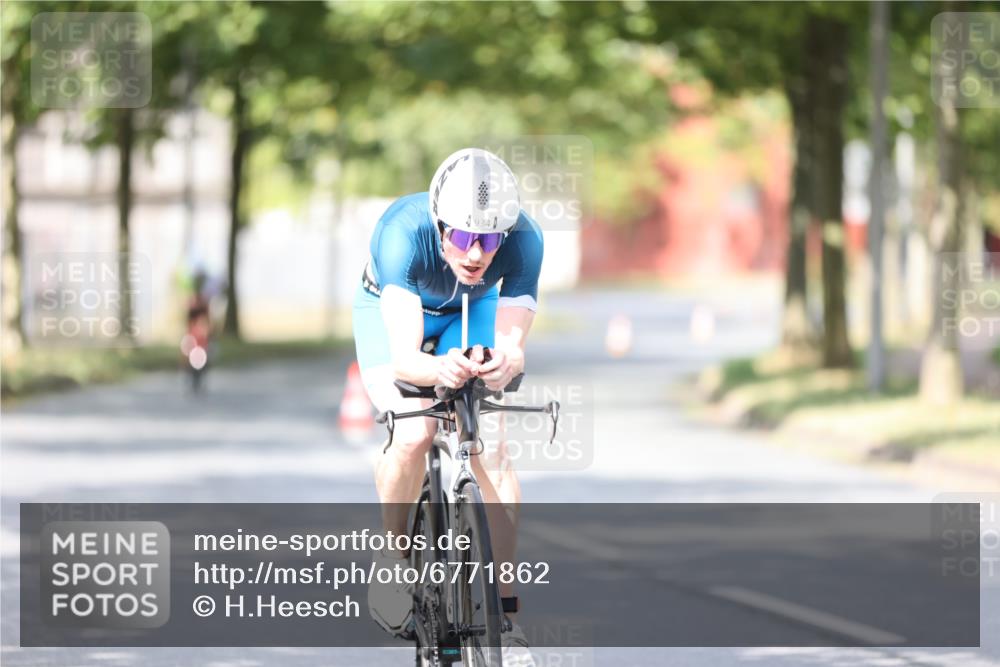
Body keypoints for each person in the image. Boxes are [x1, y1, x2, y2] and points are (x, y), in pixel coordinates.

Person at [352, 148, 543, 664]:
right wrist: (440, 371)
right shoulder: (400, 232)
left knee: (492, 449)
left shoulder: (525, 241)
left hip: (470, 307)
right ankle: (394, 561)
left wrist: (504, 361)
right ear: (439, 224)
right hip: (395, 309)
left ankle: (506, 618)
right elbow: (405, 361)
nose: (476, 253)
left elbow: (512, 346)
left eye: (489, 239)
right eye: (461, 237)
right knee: (414, 434)